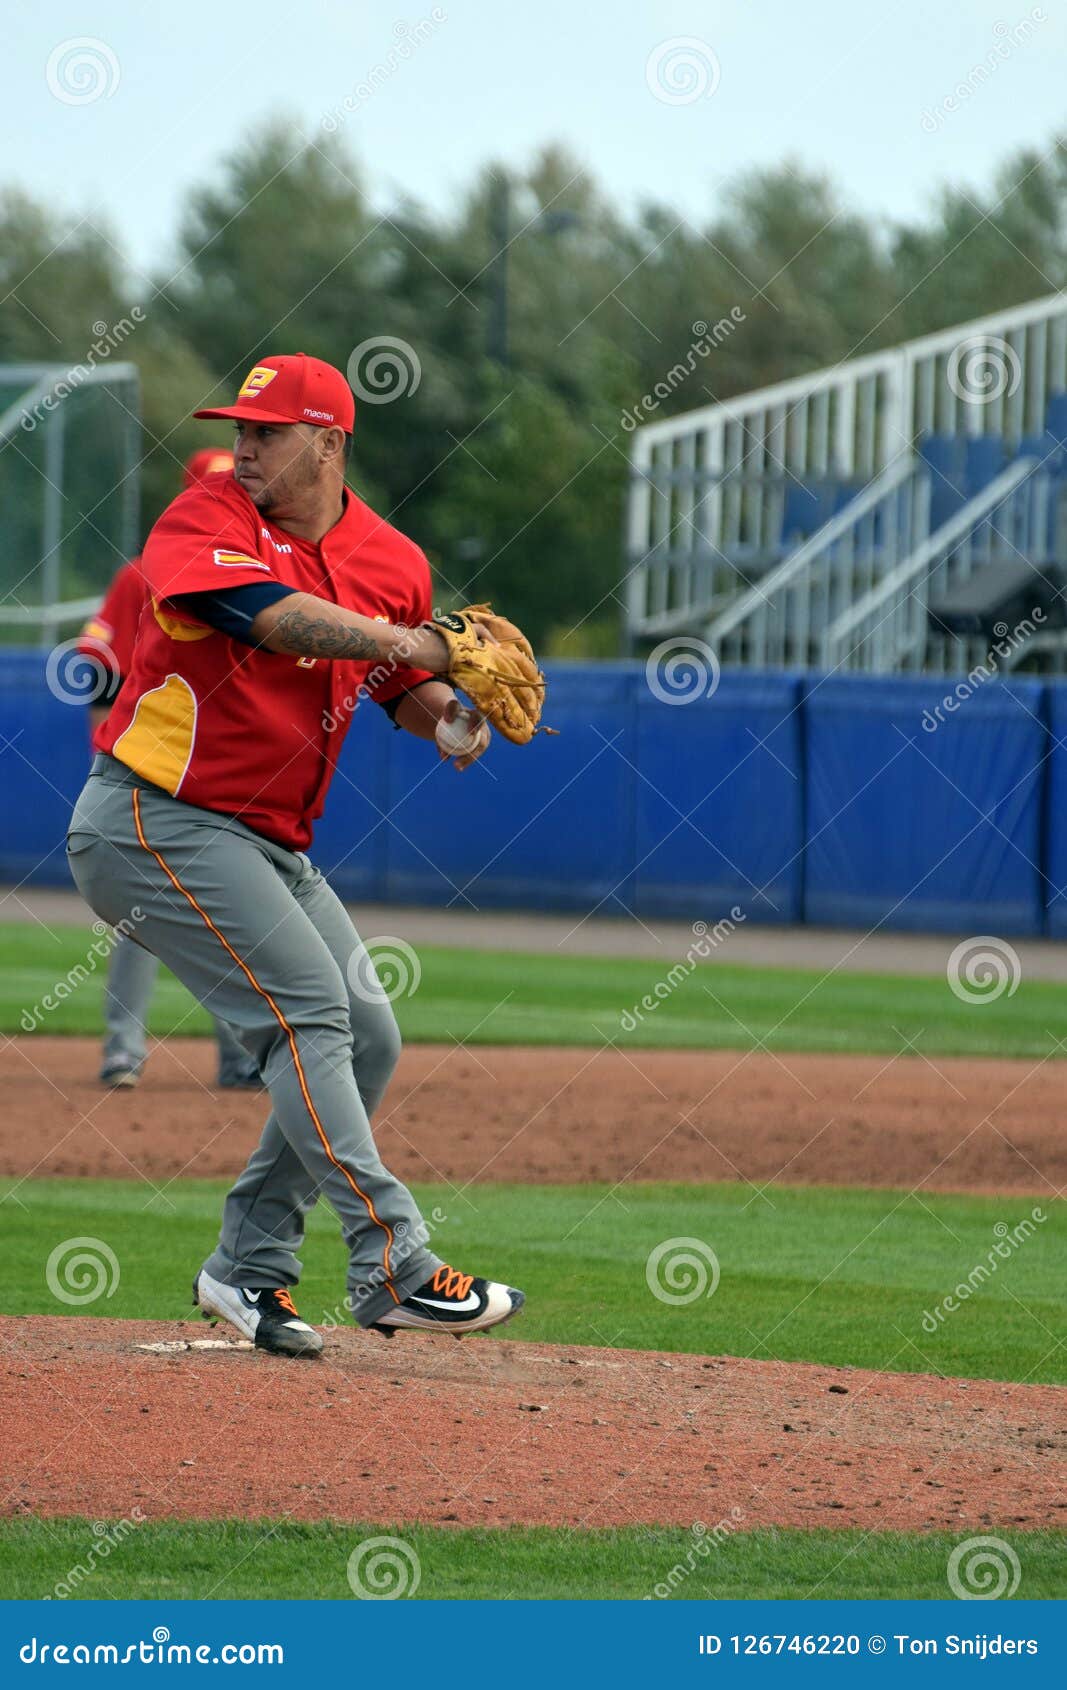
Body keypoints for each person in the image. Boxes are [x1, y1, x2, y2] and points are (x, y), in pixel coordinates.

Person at [66, 353, 522, 1357]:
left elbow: (394, 686)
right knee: (307, 1013)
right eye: (238, 426)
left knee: (367, 1037)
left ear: (328, 441)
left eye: (265, 431)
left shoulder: (392, 561)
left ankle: (246, 1268)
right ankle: (395, 1261)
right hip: (151, 818)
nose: (243, 444)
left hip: (268, 841)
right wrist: (416, 648)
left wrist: (449, 715)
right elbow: (272, 620)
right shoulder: (204, 520)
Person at [76, 449, 262, 1089]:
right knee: (140, 919)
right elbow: (96, 660)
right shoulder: (145, 575)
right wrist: (105, 749)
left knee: (231, 924)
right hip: (149, 777)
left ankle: (240, 1058)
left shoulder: (258, 575)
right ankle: (123, 1050)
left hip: (226, 779)